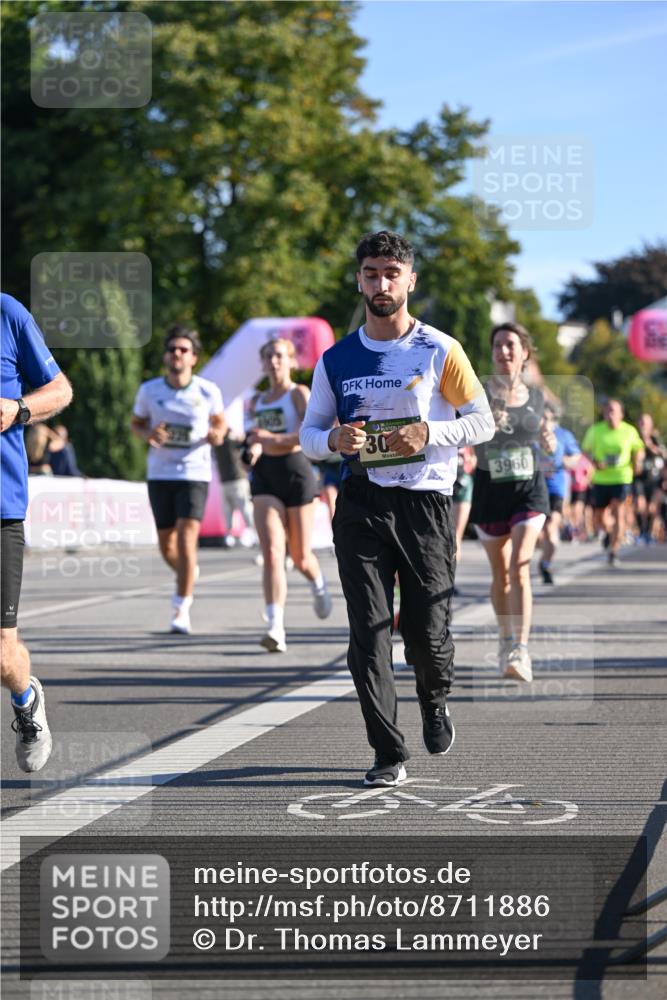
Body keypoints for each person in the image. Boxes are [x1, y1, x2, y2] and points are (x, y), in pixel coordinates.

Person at [300, 231, 494, 787]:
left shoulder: (439, 348)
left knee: (427, 633)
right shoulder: (337, 357)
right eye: (370, 273)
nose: (380, 284)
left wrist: (429, 431)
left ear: (410, 280)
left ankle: (434, 698)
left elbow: (482, 421)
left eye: (391, 273)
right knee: (369, 628)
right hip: (360, 502)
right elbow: (310, 431)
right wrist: (333, 441)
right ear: (358, 279)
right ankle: (388, 752)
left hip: (425, 503)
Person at [1, 292, 73, 771]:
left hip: (1, 511)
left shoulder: (8, 313)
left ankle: (26, 701)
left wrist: (17, 410)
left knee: (4, 655)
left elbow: (60, 391)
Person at [469, 322, 556, 683]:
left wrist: (549, 440)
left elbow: (547, 438)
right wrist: (487, 422)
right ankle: (506, 638)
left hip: (528, 490)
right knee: (501, 574)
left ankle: (521, 648)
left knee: (521, 565)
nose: (504, 351)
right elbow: (468, 438)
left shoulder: (537, 397)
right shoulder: (477, 393)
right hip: (490, 490)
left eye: (511, 345)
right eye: (498, 345)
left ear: (524, 352)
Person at [131, 325, 226, 634]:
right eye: (172, 349)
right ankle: (188, 571)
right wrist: (149, 434)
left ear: (193, 358)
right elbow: (137, 423)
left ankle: (180, 607)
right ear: (165, 356)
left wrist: (216, 435)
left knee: (187, 539)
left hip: (193, 472)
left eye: (183, 350)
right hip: (160, 473)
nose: (176, 354)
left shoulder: (207, 391)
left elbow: (220, 425)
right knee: (166, 544)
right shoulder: (150, 390)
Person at [244, 337, 332, 653]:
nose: (274, 361)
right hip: (265, 477)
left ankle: (318, 584)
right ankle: (275, 626)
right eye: (268, 356)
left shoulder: (298, 394)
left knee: (300, 556)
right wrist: (253, 448)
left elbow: (309, 436)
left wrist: (271, 437)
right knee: (271, 553)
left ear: (291, 361)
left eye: (280, 355)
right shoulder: (255, 401)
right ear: (264, 363)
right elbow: (252, 437)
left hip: (296, 474)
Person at [581, 399, 644, 567]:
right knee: (599, 519)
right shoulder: (595, 430)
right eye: (607, 411)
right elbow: (585, 451)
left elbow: (639, 448)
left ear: (621, 414)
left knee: (619, 513)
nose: (610, 415)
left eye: (614, 411)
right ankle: (610, 533)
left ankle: (614, 551)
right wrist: (594, 462)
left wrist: (637, 461)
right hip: (601, 479)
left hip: (622, 477)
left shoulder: (629, 431)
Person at [537, 403, 581, 583]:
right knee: (536, 531)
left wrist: (562, 461)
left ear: (554, 419)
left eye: (547, 418)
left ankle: (545, 563)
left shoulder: (564, 435)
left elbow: (576, 457)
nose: (544, 421)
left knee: (551, 526)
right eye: (541, 417)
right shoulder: (530, 434)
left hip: (555, 488)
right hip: (534, 487)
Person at [214, 430, 257, 548]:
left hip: (238, 480)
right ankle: (229, 536)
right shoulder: (219, 444)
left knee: (246, 509)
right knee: (228, 511)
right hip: (226, 481)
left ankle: (255, 534)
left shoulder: (229, 442)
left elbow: (245, 442)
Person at [633, 412, 665, 544]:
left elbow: (663, 453)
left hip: (654, 478)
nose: (643, 425)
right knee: (640, 506)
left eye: (646, 423)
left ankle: (650, 533)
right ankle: (642, 531)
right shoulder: (634, 438)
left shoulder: (655, 439)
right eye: (641, 422)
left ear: (651, 425)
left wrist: (650, 445)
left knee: (652, 508)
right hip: (639, 478)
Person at [452, 446, 477, 595]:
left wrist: (469, 461)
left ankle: (450, 580)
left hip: (462, 483)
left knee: (455, 536)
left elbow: (474, 459)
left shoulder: (464, 424)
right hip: (440, 482)